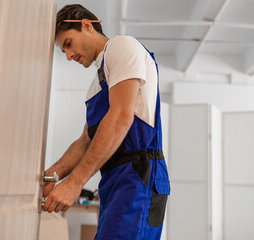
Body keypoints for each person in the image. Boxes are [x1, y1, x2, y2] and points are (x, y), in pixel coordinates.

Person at [43, 4, 170, 240]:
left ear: (87, 25)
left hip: (138, 176)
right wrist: (51, 175)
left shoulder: (121, 46)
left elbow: (121, 117)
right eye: (63, 52)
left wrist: (75, 183)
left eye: (68, 44)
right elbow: (85, 141)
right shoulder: (95, 87)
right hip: (113, 180)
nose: (69, 56)